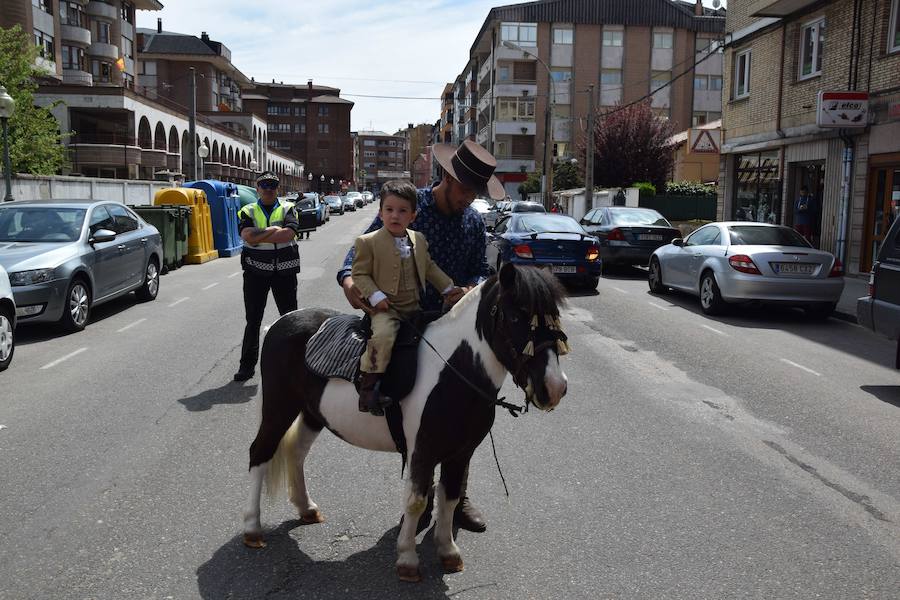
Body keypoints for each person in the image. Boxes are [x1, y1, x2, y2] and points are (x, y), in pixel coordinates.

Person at [336, 139, 505, 533]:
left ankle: (457, 494)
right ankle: (419, 495)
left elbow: (481, 268)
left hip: (456, 329)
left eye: (475, 192)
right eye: (465, 189)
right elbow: (361, 249)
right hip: (408, 321)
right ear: (447, 177)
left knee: (467, 410)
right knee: (413, 404)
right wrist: (347, 278)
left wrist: (472, 288)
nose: (468, 198)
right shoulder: (410, 207)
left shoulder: (474, 222)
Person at [352, 180, 463, 415]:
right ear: (380, 212)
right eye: (389, 210)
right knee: (382, 337)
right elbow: (359, 273)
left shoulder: (419, 239)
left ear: (413, 216)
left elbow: (430, 268)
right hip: (387, 310)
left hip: (414, 308)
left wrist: (448, 288)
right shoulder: (367, 242)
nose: (395, 216)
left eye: (402, 211)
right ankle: (368, 388)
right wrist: (375, 296)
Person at [233, 171, 301, 382]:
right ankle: (246, 367)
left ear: (277, 188)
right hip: (255, 272)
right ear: (257, 188)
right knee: (253, 320)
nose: (269, 189)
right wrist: (273, 229)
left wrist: (260, 233)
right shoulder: (248, 210)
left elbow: (288, 233)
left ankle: (294, 364)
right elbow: (247, 237)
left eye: (272, 185)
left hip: (285, 272)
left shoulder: (289, 208)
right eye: (265, 185)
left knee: (290, 319)